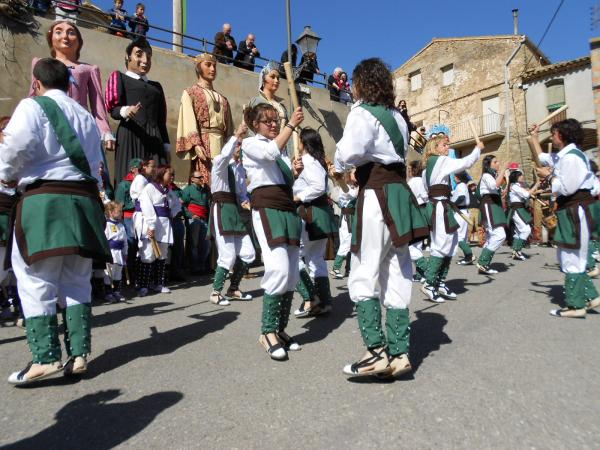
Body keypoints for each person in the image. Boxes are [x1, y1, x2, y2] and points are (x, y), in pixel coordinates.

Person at [2, 58, 110, 384]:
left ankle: (45, 358)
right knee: (77, 278)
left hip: (45, 201)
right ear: (69, 83)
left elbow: (15, 148)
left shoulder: (32, 106)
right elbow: (95, 165)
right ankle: (79, 354)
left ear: (36, 82)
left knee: (36, 277)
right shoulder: (88, 118)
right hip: (84, 202)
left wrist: (5, 176)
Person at [333, 58, 428, 378]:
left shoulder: (361, 113)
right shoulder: (399, 119)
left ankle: (375, 351)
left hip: (376, 197)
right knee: (397, 271)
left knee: (363, 271)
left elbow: (347, 153)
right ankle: (400, 353)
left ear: (360, 84)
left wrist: (340, 163)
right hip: (400, 196)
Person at [242, 103, 304, 361]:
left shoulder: (280, 152)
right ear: (255, 125)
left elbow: (285, 178)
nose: (274, 124)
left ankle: (280, 329)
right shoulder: (250, 144)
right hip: (267, 208)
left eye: (276, 120)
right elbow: (269, 153)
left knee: (291, 272)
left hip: (287, 208)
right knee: (277, 268)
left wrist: (295, 172)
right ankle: (266, 332)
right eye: (267, 121)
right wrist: (291, 125)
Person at [533, 119, 600, 318]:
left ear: (561, 135)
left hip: (575, 210)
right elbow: (543, 158)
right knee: (573, 256)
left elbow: (566, 188)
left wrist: (549, 177)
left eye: (553, 134)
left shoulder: (571, 159)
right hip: (574, 210)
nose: (552, 137)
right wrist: (535, 138)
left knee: (571, 257)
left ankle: (575, 306)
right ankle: (590, 296)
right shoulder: (568, 155)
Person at [30, 21, 116, 154]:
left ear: (79, 41)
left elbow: (97, 104)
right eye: (58, 32)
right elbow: (33, 96)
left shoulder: (88, 69)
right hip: (47, 121)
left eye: (71, 32)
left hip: (79, 124)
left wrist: (105, 131)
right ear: (50, 38)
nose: (65, 36)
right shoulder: (40, 64)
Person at [420, 135, 482, 303]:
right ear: (435, 148)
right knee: (441, 245)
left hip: (441, 207)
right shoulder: (441, 161)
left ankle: (439, 282)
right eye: (444, 145)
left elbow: (429, 190)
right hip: (440, 208)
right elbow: (465, 163)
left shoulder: (428, 169)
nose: (448, 148)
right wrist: (478, 150)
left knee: (451, 242)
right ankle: (429, 283)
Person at [105, 37, 170, 183]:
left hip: (155, 139)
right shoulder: (120, 77)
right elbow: (113, 110)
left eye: (149, 56)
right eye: (139, 54)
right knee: (131, 179)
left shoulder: (156, 86)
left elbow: (161, 120)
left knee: (158, 182)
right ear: (127, 57)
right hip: (131, 135)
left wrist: (166, 146)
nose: (145, 60)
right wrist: (126, 110)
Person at [208, 123, 256, 305]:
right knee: (227, 256)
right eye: (237, 145)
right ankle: (215, 293)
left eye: (240, 145)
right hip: (221, 209)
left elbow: (243, 195)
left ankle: (233, 288)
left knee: (248, 253)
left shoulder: (240, 169)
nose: (239, 148)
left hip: (235, 211)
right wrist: (236, 135)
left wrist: (249, 204)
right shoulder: (220, 164)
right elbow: (225, 153)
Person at [293, 128, 338, 318]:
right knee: (315, 259)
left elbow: (319, 187)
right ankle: (324, 302)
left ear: (303, 142)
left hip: (310, 213)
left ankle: (311, 298)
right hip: (318, 213)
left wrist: (298, 196)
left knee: (295, 256)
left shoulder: (310, 161)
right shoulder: (317, 161)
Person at [176, 53, 234, 183]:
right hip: (204, 145)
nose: (212, 69)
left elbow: (229, 129)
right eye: (208, 65)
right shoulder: (190, 92)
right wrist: (196, 144)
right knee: (206, 182)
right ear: (198, 67)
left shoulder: (223, 99)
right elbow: (188, 119)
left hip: (222, 148)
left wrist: (233, 147)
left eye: (214, 66)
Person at [137, 165, 181, 295]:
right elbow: (146, 206)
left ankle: (158, 284)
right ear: (161, 174)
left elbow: (176, 204)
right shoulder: (150, 188)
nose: (172, 177)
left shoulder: (169, 191)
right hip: (153, 224)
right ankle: (143, 285)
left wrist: (173, 212)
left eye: (173, 174)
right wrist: (151, 226)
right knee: (148, 253)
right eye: (170, 174)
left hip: (165, 225)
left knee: (162, 254)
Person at [476, 155, 508, 275]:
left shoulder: (493, 176)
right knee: (500, 235)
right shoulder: (486, 175)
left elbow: (497, 188)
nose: (498, 163)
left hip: (495, 205)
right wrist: (504, 169)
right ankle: (483, 261)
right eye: (495, 161)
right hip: (489, 205)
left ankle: (484, 265)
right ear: (488, 164)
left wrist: (502, 191)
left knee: (491, 236)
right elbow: (494, 185)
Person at [130, 158, 155, 291]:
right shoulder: (140, 180)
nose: (154, 169)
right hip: (143, 217)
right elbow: (144, 201)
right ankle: (142, 284)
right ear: (144, 167)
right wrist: (151, 222)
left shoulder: (144, 180)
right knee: (145, 250)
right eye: (152, 166)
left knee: (144, 251)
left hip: (145, 216)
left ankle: (142, 282)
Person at [115, 157, 141, 282]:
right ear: (132, 169)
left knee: (140, 245)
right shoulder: (124, 185)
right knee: (131, 245)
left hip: (141, 217)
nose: (142, 171)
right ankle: (129, 273)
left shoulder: (144, 182)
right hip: (129, 218)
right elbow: (119, 205)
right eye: (139, 169)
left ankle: (139, 272)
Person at [181, 172, 211, 275]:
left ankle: (201, 266)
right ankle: (194, 268)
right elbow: (183, 204)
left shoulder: (204, 191)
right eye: (199, 177)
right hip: (194, 219)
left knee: (206, 244)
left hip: (204, 219)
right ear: (192, 179)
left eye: (202, 177)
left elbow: (207, 206)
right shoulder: (188, 190)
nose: (201, 179)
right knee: (193, 244)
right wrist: (190, 215)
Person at [330, 171, 358, 279]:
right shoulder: (345, 187)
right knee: (346, 242)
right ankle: (336, 268)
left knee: (351, 244)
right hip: (348, 219)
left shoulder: (351, 187)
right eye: (354, 174)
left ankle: (349, 269)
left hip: (351, 218)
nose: (356, 175)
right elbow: (353, 194)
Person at [507, 171, 539, 260]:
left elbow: (526, 193)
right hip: (517, 209)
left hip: (519, 208)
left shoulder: (516, 186)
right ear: (516, 177)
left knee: (518, 231)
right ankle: (517, 250)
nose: (522, 176)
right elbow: (526, 194)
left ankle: (516, 251)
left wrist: (535, 189)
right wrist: (535, 186)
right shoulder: (514, 186)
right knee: (526, 230)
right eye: (520, 175)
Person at [407, 160, 429, 282]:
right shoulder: (422, 181)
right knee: (417, 245)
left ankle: (427, 269)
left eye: (410, 169)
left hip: (416, 212)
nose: (408, 171)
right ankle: (421, 274)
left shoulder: (414, 181)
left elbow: (407, 198)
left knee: (409, 247)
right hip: (423, 212)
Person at [104, 201, 127, 302]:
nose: (121, 213)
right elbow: (104, 241)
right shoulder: (107, 225)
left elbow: (125, 241)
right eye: (119, 211)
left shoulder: (121, 225)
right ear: (111, 212)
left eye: (121, 211)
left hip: (119, 253)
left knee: (118, 272)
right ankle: (108, 293)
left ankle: (117, 292)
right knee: (109, 273)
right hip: (111, 252)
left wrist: (125, 252)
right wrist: (106, 254)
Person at [452, 171, 474, 265]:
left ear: (458, 177)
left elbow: (461, 197)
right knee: (462, 237)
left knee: (459, 237)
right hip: (463, 212)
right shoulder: (462, 185)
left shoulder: (461, 185)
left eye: (455, 176)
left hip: (460, 213)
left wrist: (453, 205)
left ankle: (469, 255)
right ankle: (467, 257)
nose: (454, 178)